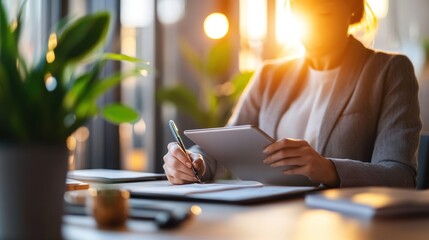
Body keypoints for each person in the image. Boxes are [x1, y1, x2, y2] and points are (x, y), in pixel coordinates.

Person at [163, 0, 422, 188]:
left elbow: (400, 175)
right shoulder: (269, 75)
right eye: (300, 7)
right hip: (265, 218)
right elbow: (222, 149)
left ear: (352, 8)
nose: (311, 17)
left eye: (324, 8)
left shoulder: (389, 71)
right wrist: (194, 162)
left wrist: (328, 169)